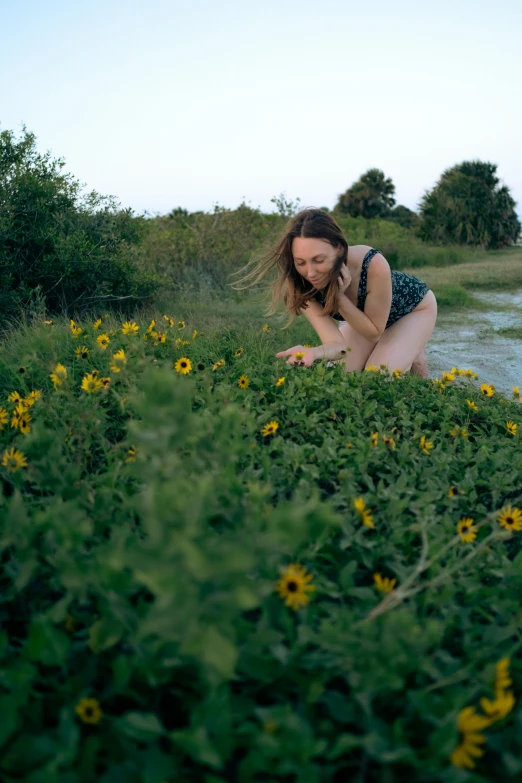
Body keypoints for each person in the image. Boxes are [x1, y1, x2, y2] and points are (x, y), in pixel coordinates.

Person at [230, 207, 437, 376]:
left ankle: (413, 347)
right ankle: (408, 348)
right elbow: (337, 346)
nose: (310, 272)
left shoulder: (371, 262)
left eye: (319, 260)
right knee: (340, 375)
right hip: (364, 320)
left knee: (377, 377)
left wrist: (339, 297)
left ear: (339, 248)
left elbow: (374, 333)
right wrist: (313, 352)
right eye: (301, 262)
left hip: (413, 309)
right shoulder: (302, 287)